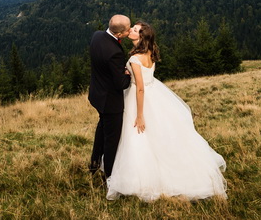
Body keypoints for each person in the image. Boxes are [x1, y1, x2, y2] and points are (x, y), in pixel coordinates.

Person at [105, 21, 227, 201]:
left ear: (141, 37)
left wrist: (140, 115)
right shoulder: (148, 53)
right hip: (155, 93)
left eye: (135, 30)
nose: (131, 30)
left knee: (137, 135)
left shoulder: (135, 58)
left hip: (141, 98)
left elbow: (140, 88)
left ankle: (138, 180)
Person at [88, 14, 133, 178]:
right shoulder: (114, 52)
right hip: (110, 102)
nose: (130, 31)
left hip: (97, 95)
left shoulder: (97, 35)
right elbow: (120, 84)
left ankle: (94, 164)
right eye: (128, 30)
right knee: (111, 140)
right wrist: (128, 74)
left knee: (101, 131)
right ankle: (110, 176)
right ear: (120, 34)